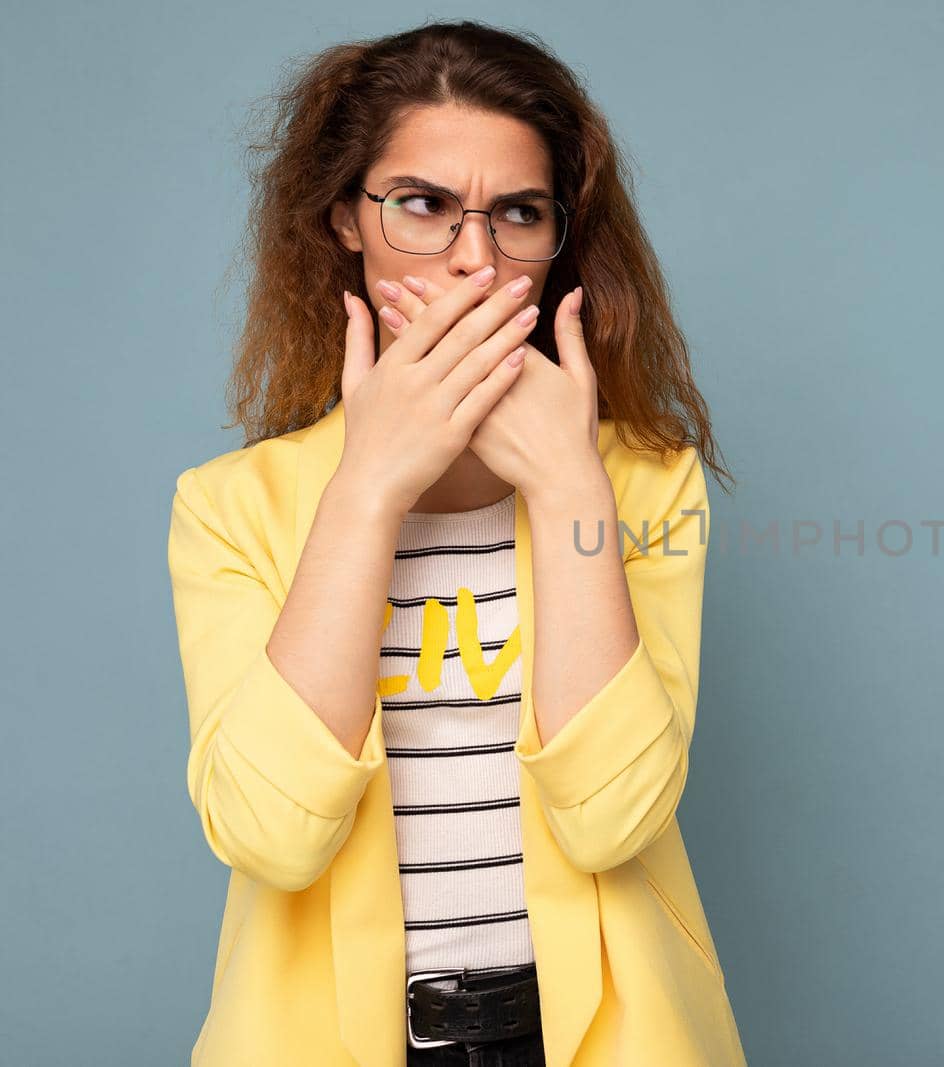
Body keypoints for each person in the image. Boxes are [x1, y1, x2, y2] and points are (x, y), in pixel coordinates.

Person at [166, 19, 745, 1067]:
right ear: (346, 217)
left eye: (518, 213)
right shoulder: (230, 506)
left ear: (560, 237)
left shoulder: (645, 484)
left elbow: (614, 818)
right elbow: (269, 836)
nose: (474, 260)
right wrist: (369, 486)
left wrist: (569, 484)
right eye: (424, 206)